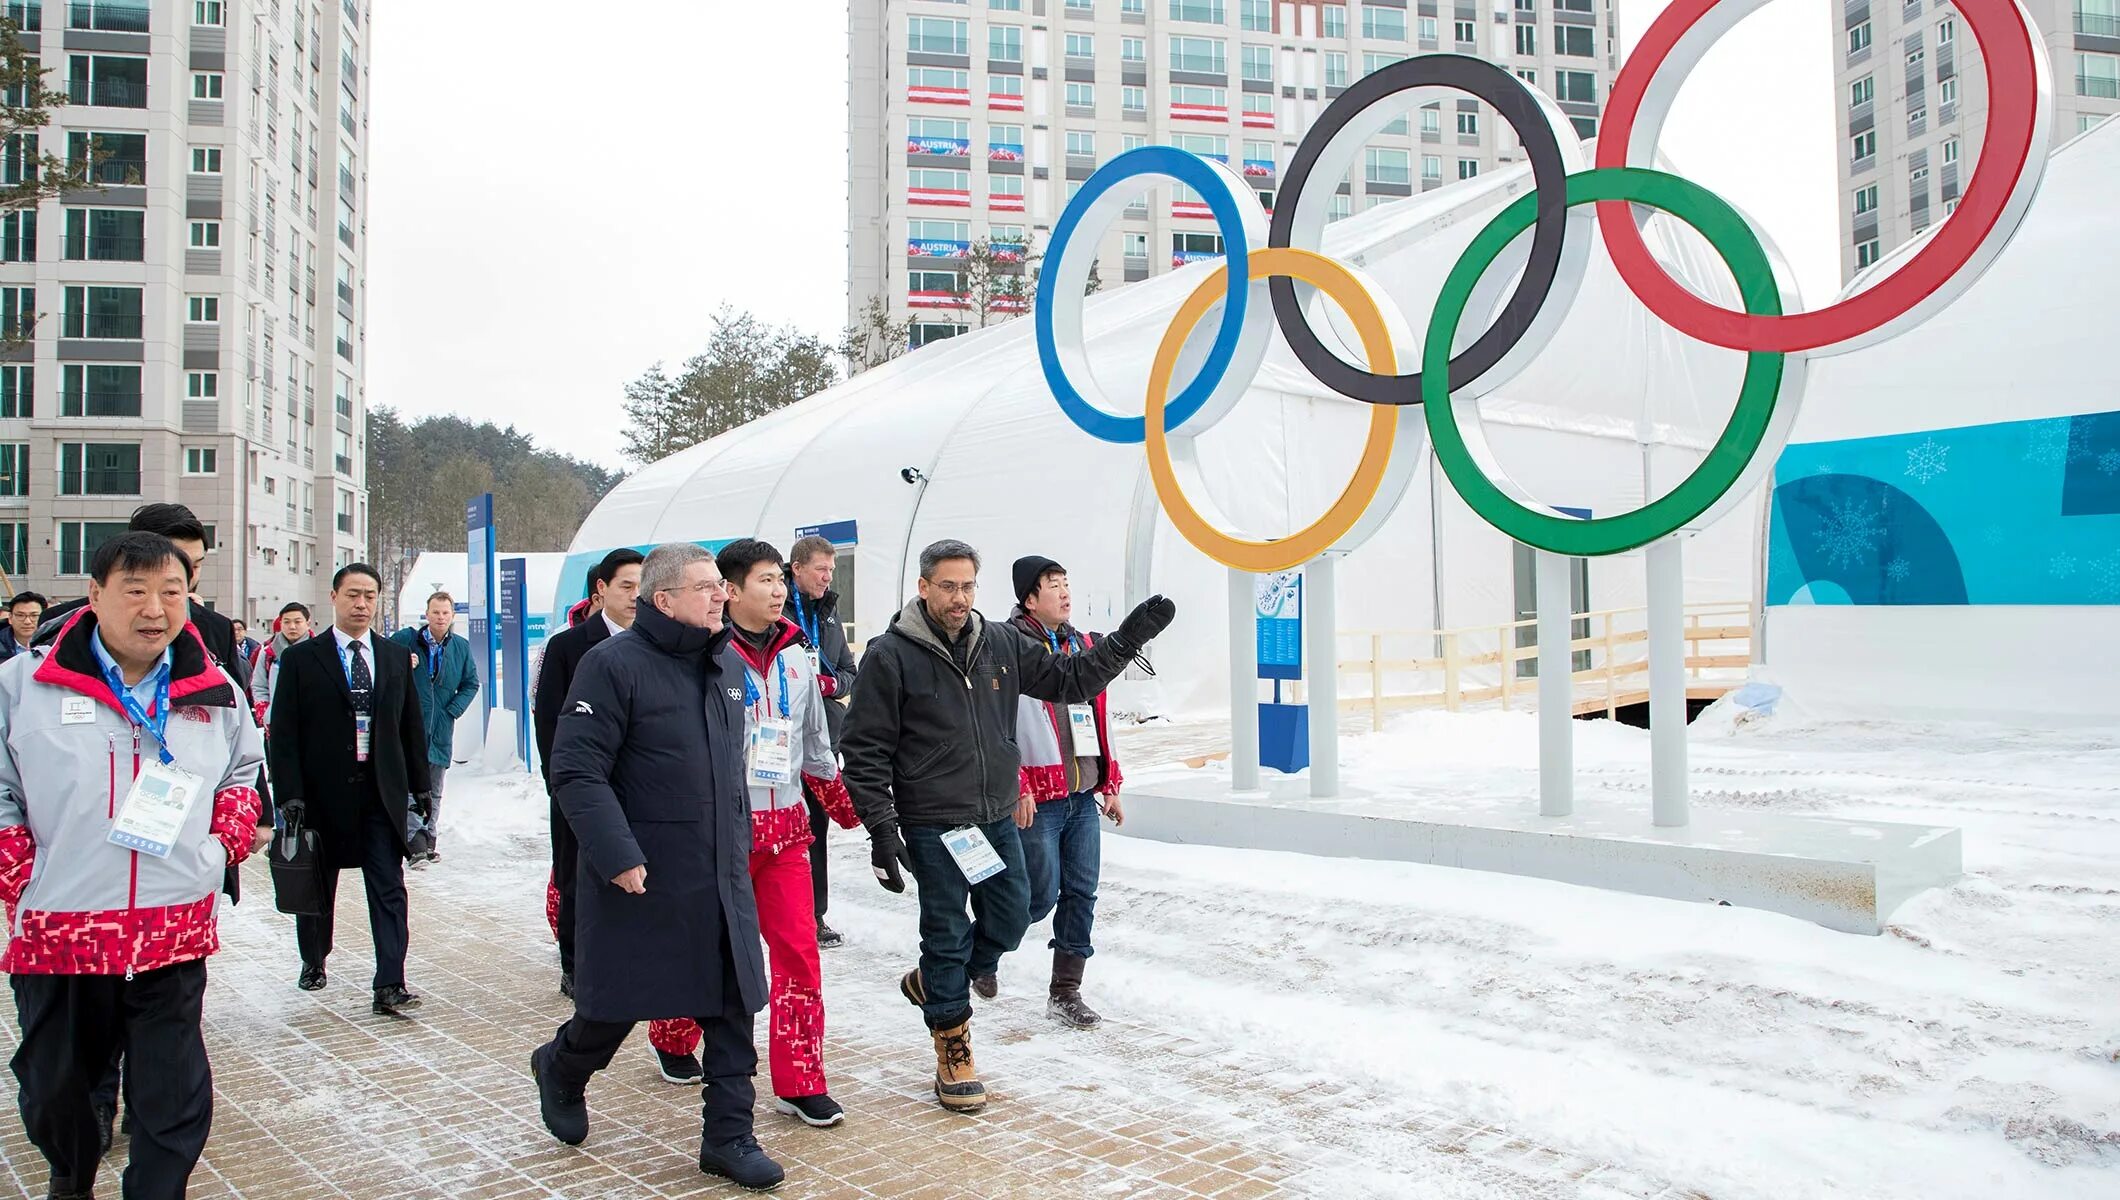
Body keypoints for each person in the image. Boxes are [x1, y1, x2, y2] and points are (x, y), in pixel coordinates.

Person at [840, 539, 1174, 1113]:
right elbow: (864, 748)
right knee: (944, 933)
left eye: (968, 586)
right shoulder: (890, 655)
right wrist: (881, 826)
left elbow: (1069, 681)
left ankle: (935, 983)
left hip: (992, 816)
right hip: (933, 821)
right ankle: (953, 1047)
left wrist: (1124, 642)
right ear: (923, 587)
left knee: (1014, 914)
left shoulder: (999, 641)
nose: (959, 598)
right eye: (947, 586)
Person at [0, 532, 265, 1200]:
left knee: (174, 1100)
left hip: (171, 929)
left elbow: (243, 773)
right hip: (65, 930)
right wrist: (19, 870)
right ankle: (71, 1172)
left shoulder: (214, 689)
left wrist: (224, 842)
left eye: (172, 591)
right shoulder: (21, 686)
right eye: (136, 590)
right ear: (95, 597)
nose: (156, 608)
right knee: (55, 1094)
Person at [528, 543, 782, 1191]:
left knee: (734, 1002)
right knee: (616, 1005)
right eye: (705, 588)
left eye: (718, 586)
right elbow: (577, 771)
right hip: (641, 873)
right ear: (663, 600)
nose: (719, 596)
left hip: (719, 871)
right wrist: (616, 854)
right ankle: (562, 1067)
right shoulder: (609, 666)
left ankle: (728, 1136)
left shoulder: (724, 667)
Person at [645, 540, 858, 1128]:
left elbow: (815, 743)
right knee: (710, 952)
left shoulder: (798, 654)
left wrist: (851, 809)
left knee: (798, 954)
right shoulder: (704, 658)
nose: (778, 590)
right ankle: (672, 1034)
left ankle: (801, 1078)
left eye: (779, 580)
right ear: (730, 591)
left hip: (787, 832)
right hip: (720, 836)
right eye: (764, 580)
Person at [268, 563, 433, 1017]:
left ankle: (390, 982)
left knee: (388, 888)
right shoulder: (303, 658)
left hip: (378, 793)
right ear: (335, 597)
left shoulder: (394, 657)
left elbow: (410, 726)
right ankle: (314, 958)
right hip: (321, 797)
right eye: (353, 595)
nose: (362, 604)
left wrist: (420, 788)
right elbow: (283, 734)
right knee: (317, 887)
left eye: (370, 596)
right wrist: (290, 796)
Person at [1006, 557, 1126, 1028]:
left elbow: (1101, 717)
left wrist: (1110, 781)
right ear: (1029, 599)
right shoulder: (1010, 648)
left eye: (1066, 583)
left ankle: (1066, 991)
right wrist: (1015, 785)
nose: (1064, 592)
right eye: (1052, 586)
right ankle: (979, 951)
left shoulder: (1084, 645)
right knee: (1037, 896)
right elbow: (1000, 727)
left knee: (1082, 891)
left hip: (1081, 794)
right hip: (1038, 793)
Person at [532, 548, 643, 1000]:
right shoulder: (569, 646)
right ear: (601, 589)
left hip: (636, 786)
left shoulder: (657, 643)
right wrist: (558, 783)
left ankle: (630, 958)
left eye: (643, 586)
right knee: (577, 874)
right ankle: (575, 964)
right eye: (626, 586)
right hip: (580, 786)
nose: (636, 596)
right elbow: (549, 722)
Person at [785, 535, 858, 949]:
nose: (828, 577)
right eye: (820, 569)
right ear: (796, 569)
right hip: (781, 740)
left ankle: (816, 914)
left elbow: (849, 670)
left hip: (824, 735)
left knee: (816, 827)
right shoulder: (779, 608)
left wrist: (829, 684)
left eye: (831, 570)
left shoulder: (828, 612)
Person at [389, 592, 480, 864]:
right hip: (409, 724)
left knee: (435, 787)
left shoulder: (460, 647)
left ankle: (429, 839)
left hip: (441, 727)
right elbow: (383, 664)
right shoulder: (406, 641)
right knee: (409, 785)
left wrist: (452, 710)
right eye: (436, 612)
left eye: (445, 613)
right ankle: (414, 841)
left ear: (452, 616)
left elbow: (471, 683)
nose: (441, 618)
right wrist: (401, 663)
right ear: (426, 615)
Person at [250, 602, 312, 725]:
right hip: (276, 722)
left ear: (308, 624)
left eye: (297, 622)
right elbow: (259, 685)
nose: (292, 627)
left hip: (312, 722)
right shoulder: (268, 652)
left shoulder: (319, 650)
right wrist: (265, 713)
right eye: (287, 622)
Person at [0, 590, 45, 662]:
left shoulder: (57, 646)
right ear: (10, 618)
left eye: (34, 615)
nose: (27, 621)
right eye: (20, 615)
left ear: (44, 617)